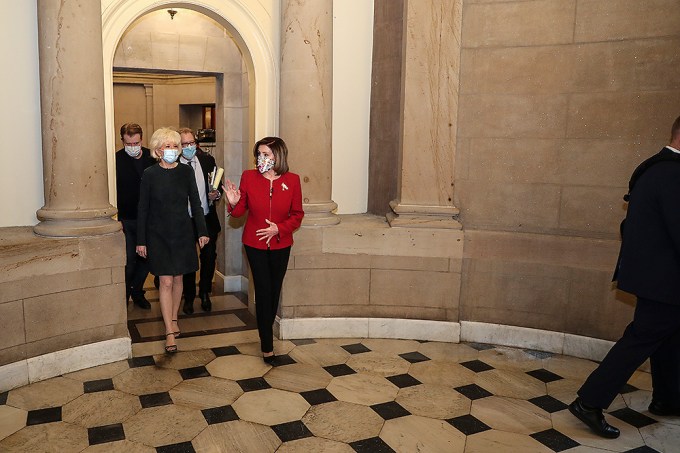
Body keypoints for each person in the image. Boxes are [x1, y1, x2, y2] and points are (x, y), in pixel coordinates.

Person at [569, 115, 680, 438]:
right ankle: (588, 403)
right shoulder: (672, 174)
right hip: (665, 282)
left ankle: (667, 399)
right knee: (640, 340)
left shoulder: (653, 168)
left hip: (658, 279)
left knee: (668, 339)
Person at [223, 136, 304, 363]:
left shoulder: (293, 180)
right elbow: (239, 212)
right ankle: (267, 345)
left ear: (278, 156)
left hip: (281, 244)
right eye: (259, 154)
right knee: (263, 290)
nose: (262, 158)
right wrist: (232, 202)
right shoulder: (249, 177)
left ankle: (264, 333)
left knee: (274, 290)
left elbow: (297, 215)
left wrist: (279, 228)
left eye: (266, 154)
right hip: (254, 244)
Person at [136, 128, 209, 353]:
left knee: (179, 279)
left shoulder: (185, 172)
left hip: (182, 233)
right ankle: (169, 331)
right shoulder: (150, 174)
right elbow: (143, 209)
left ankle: (174, 318)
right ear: (158, 150)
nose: (172, 150)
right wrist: (141, 240)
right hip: (157, 235)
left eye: (175, 146)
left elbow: (196, 204)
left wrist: (202, 231)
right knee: (165, 281)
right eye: (167, 146)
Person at [178, 128, 223, 314]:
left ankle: (204, 292)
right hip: (184, 220)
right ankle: (188, 297)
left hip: (206, 217)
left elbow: (217, 184)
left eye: (191, 143)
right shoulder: (174, 165)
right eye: (184, 144)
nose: (189, 147)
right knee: (188, 260)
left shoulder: (207, 160)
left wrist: (216, 194)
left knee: (209, 257)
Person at [115, 123, 155, 309]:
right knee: (130, 261)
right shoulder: (116, 160)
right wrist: (117, 219)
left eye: (136, 143)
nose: (133, 147)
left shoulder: (152, 157)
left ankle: (137, 291)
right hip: (127, 219)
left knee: (147, 259)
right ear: (122, 140)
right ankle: (123, 297)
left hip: (148, 220)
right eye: (129, 144)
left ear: (141, 139)